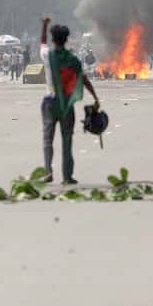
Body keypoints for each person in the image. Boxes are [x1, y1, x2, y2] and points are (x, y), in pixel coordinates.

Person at [40, 17, 100, 185]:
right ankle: (67, 176)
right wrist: (95, 97)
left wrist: (44, 25)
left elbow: (42, 42)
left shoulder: (47, 55)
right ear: (66, 39)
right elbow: (84, 79)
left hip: (50, 101)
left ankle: (47, 171)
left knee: (47, 139)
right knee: (67, 140)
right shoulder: (72, 59)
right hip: (66, 103)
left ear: (54, 39)